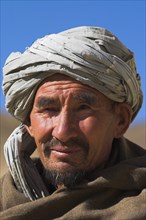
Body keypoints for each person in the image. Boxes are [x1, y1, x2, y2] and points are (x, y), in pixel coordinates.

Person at [0, 26, 145, 220]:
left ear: (121, 120)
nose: (63, 132)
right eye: (49, 109)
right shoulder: (6, 198)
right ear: (28, 121)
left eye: (83, 108)